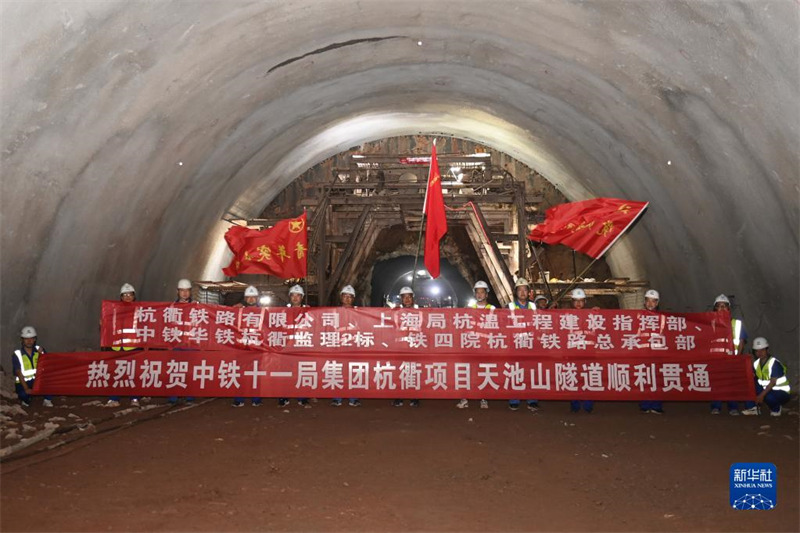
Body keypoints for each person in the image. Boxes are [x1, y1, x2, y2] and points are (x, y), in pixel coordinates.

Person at [457, 281, 495, 410]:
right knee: (467, 372)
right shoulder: (469, 308)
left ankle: (483, 398)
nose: (479, 294)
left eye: (482, 291)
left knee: (483, 372)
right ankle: (465, 398)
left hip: (485, 346)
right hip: (471, 345)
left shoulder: (493, 309)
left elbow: (496, 327)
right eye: (477, 292)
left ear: (486, 294)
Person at [710, 293, 748, 415]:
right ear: (715, 308)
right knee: (717, 383)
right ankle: (716, 407)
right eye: (719, 306)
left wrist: (737, 357)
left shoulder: (737, 324)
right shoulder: (710, 323)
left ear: (729, 308)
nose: (722, 308)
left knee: (732, 383)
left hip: (732, 359)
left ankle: (733, 407)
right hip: (716, 359)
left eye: (724, 306)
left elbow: (741, 341)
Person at [106, 283, 142, 408]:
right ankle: (114, 398)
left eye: (130, 295)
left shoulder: (140, 310)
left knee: (133, 373)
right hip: (117, 347)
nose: (127, 297)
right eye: (125, 295)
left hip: (133, 346)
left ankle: (135, 398)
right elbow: (109, 325)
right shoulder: (114, 310)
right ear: (121, 297)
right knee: (116, 373)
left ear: (134, 296)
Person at [507, 278, 539, 412]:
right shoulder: (509, 306)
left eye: (525, 290)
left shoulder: (533, 306)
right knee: (515, 372)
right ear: (516, 292)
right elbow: (504, 324)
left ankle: (532, 399)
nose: (522, 292)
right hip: (515, 343)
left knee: (531, 372)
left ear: (528, 292)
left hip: (530, 343)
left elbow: (539, 322)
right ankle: (514, 399)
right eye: (519, 290)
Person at [742, 337, 791, 417]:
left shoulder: (774, 363)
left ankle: (776, 408)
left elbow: (772, 382)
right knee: (749, 385)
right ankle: (753, 408)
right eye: (757, 351)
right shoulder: (756, 364)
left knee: (767, 396)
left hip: (781, 392)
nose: (759, 353)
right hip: (768, 390)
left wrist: (761, 395)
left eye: (762, 350)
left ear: (767, 350)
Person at [232, 286, 263, 407]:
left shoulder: (265, 312)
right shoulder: (239, 311)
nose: (251, 299)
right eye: (248, 297)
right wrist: (233, 309)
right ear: (245, 298)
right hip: (242, 348)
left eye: (253, 297)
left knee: (256, 374)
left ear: (257, 298)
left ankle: (256, 399)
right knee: (240, 374)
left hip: (257, 348)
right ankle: (239, 399)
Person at [281, 284, 311, 408]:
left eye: (298, 295)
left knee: (302, 372)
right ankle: (283, 396)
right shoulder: (282, 311)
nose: (295, 298)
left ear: (302, 297)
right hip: (286, 347)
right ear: (289, 297)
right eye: (293, 295)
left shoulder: (309, 311)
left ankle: (302, 397)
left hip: (302, 347)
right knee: (285, 373)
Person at [332, 285, 360, 407]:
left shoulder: (360, 313)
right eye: (345, 296)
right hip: (338, 347)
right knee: (337, 372)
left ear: (353, 298)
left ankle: (353, 398)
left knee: (353, 373)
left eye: (350, 297)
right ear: (341, 297)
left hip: (353, 347)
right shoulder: (333, 313)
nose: (347, 299)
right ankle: (337, 398)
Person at [168, 278, 196, 405]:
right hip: (176, 343)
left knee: (190, 370)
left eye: (187, 290)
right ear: (178, 292)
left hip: (191, 343)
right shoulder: (171, 307)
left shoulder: (197, 306)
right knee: (175, 369)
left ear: (190, 292)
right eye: (182, 290)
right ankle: (173, 396)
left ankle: (189, 395)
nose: (184, 293)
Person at [393, 286, 420, 408]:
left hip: (414, 346)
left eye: (409, 297)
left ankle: (414, 397)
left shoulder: (419, 312)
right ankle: (398, 396)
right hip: (400, 346)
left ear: (413, 298)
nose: (407, 299)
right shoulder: (396, 312)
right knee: (399, 372)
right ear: (401, 299)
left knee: (413, 372)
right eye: (405, 297)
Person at [638, 289, 664, 414]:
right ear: (644, 302)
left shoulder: (663, 318)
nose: (650, 303)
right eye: (648, 300)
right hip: (643, 352)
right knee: (644, 378)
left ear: (657, 303)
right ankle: (645, 404)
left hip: (658, 353)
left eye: (653, 301)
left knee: (657, 379)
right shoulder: (637, 317)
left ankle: (656, 405)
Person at [13, 326, 53, 408]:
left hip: (38, 380)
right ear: (22, 340)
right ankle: (27, 399)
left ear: (35, 339)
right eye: (26, 339)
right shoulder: (17, 354)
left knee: (51, 384)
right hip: (24, 383)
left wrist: (40, 355)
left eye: (31, 338)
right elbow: (19, 373)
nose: (29, 341)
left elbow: (47, 366)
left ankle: (47, 400)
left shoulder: (40, 350)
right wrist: (26, 388)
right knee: (23, 395)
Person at [569, 288, 594, 413]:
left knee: (589, 378)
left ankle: (588, 404)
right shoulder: (566, 317)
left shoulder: (592, 317)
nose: (578, 304)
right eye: (576, 301)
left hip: (588, 354)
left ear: (585, 301)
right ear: (572, 302)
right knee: (574, 378)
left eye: (581, 301)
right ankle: (575, 404)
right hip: (573, 354)